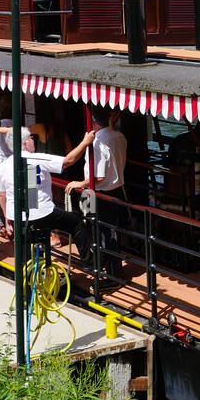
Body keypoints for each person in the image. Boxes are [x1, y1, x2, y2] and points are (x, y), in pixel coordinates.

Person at [0, 128, 96, 250]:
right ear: (25, 143)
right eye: (31, 138)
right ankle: (88, 264)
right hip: (41, 214)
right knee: (77, 223)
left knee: (26, 242)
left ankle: (28, 265)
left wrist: (7, 217)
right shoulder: (37, 158)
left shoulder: (2, 167)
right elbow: (67, 161)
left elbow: (1, 194)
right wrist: (85, 142)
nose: (33, 140)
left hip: (15, 216)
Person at [66, 109, 128, 277]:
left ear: (93, 123)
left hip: (100, 193)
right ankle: (113, 269)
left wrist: (79, 183)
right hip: (116, 191)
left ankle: (109, 272)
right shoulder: (119, 136)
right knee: (111, 231)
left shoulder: (98, 142)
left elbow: (98, 177)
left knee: (102, 233)